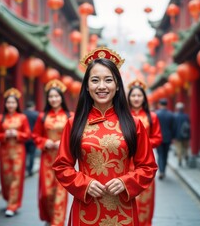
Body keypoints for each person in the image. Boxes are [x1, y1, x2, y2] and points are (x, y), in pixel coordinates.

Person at [53, 47, 158, 226]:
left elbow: (148, 167)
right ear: (87, 86)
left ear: (117, 86)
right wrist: (83, 184)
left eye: (108, 80)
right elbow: (62, 166)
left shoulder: (134, 123)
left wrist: (126, 182)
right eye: (95, 80)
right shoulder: (74, 123)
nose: (102, 86)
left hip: (122, 209)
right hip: (86, 208)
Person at [32, 79, 73, 226]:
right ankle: (50, 218)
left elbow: (75, 137)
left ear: (61, 98)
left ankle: (58, 222)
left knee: (61, 192)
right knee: (47, 193)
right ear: (47, 99)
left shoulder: (70, 116)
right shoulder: (43, 117)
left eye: (57, 96)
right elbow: (35, 135)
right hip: (47, 159)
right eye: (51, 97)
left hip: (63, 160)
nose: (54, 99)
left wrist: (63, 143)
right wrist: (44, 142)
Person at [127, 79, 162, 226]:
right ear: (129, 98)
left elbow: (158, 138)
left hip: (145, 162)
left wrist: (144, 145)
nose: (136, 98)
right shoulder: (124, 116)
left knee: (145, 196)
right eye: (133, 95)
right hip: (126, 162)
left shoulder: (151, 116)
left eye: (139, 96)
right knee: (128, 194)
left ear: (144, 98)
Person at [0, 87, 31, 217]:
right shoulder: (0, 118)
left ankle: (12, 205)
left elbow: (27, 134)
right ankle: (8, 199)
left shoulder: (22, 117)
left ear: (17, 104)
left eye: (13, 102)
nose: (10, 105)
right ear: (5, 104)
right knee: (6, 178)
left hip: (19, 151)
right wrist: (4, 135)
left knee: (16, 177)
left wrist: (17, 134)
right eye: (8, 102)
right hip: (4, 151)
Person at [155, 98, 174, 179]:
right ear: (167, 104)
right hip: (168, 137)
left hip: (158, 137)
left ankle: (161, 171)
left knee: (160, 155)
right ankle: (164, 171)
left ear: (160, 104)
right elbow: (173, 127)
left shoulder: (156, 114)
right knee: (166, 155)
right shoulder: (171, 114)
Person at [23, 100, 39, 176]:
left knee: (24, 154)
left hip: (24, 137)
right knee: (32, 154)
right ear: (33, 106)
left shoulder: (23, 114)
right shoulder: (36, 114)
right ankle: (30, 169)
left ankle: (24, 168)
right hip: (32, 137)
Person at [173, 102, 191, 166]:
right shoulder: (186, 116)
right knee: (186, 147)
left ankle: (179, 160)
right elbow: (188, 126)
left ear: (177, 108)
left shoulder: (175, 116)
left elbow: (174, 127)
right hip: (185, 135)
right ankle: (186, 156)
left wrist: (173, 136)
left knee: (179, 148)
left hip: (178, 135)